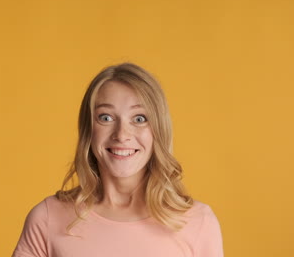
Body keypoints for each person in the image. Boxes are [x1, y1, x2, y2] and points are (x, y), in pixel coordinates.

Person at [12, 63, 224, 257]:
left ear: (158, 130)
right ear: (89, 130)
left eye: (139, 119)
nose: (122, 135)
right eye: (106, 117)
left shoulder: (198, 222)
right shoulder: (48, 218)